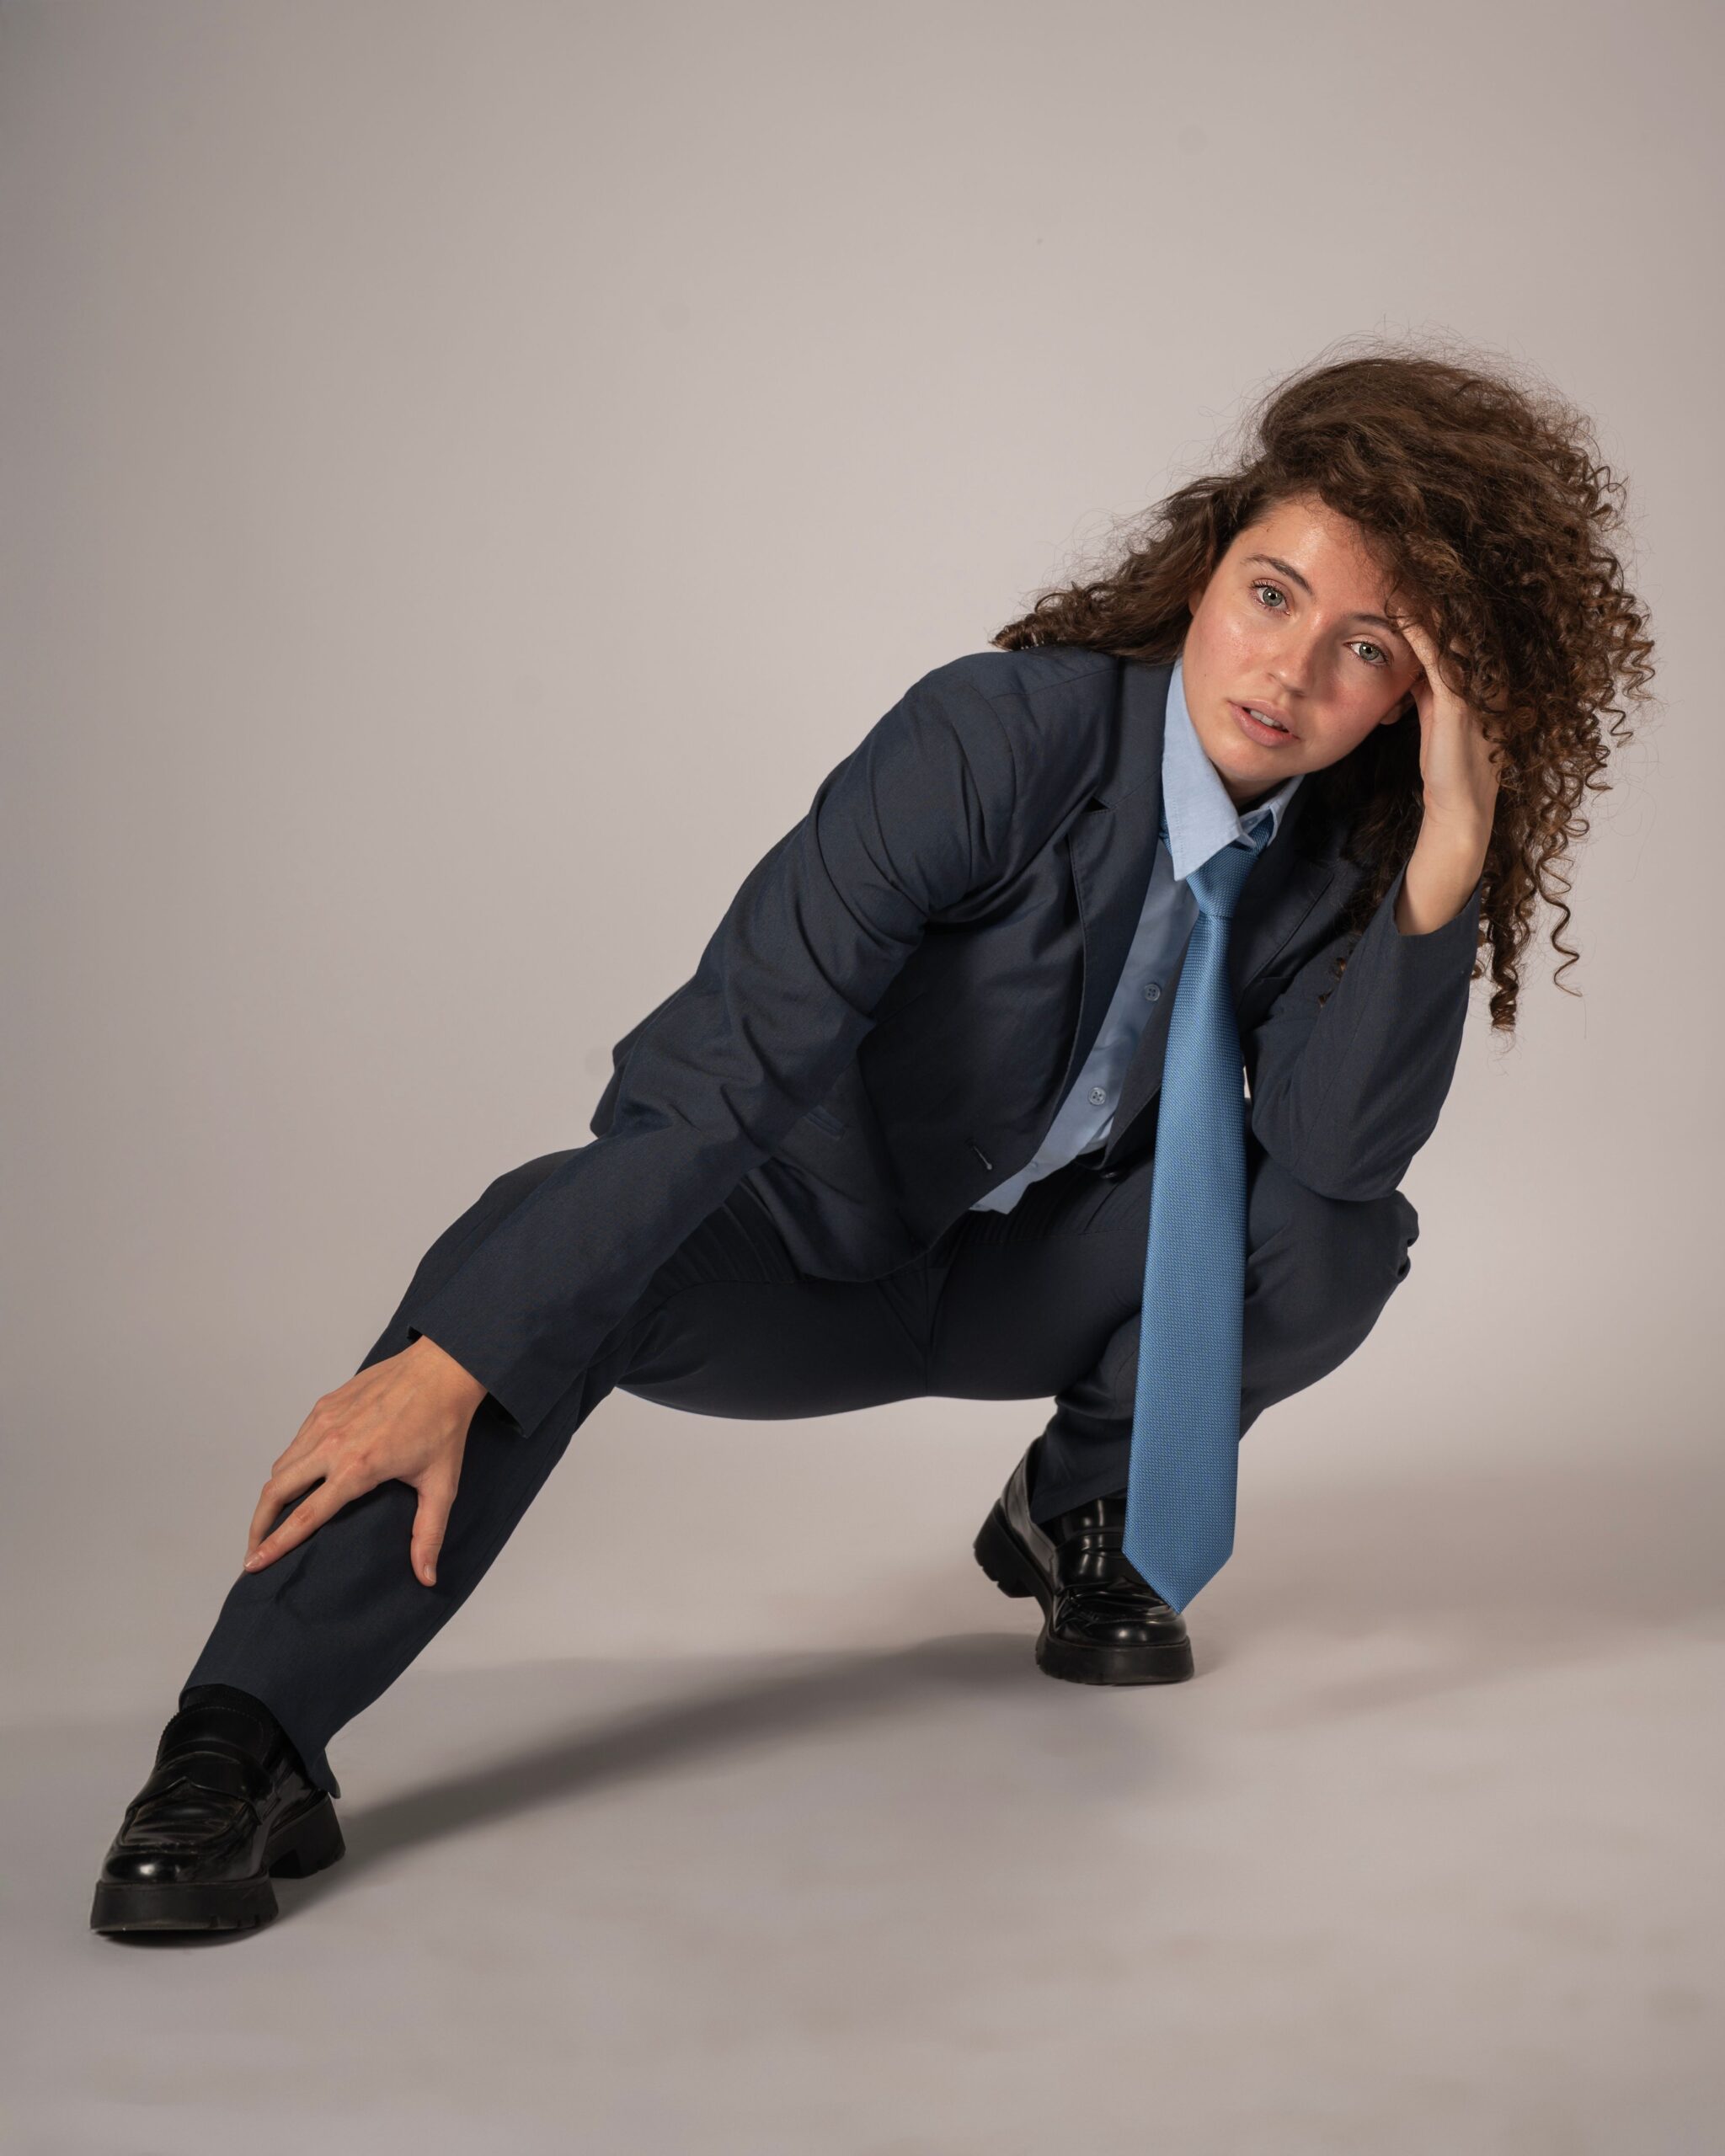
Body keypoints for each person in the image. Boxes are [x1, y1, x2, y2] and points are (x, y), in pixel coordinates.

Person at [89, 341, 1653, 1935]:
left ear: (1418, 693)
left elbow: (1331, 1164)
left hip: (1030, 1279)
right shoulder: (998, 736)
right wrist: (460, 1357)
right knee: (530, 1250)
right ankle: (245, 1735)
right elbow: (728, 1063)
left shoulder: (1343, 856)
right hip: (794, 1248)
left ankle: (1082, 1509)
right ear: (1204, 571)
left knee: (1335, 1239)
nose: (1292, 672)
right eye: (1271, 595)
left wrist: (1451, 847)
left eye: (1367, 648)